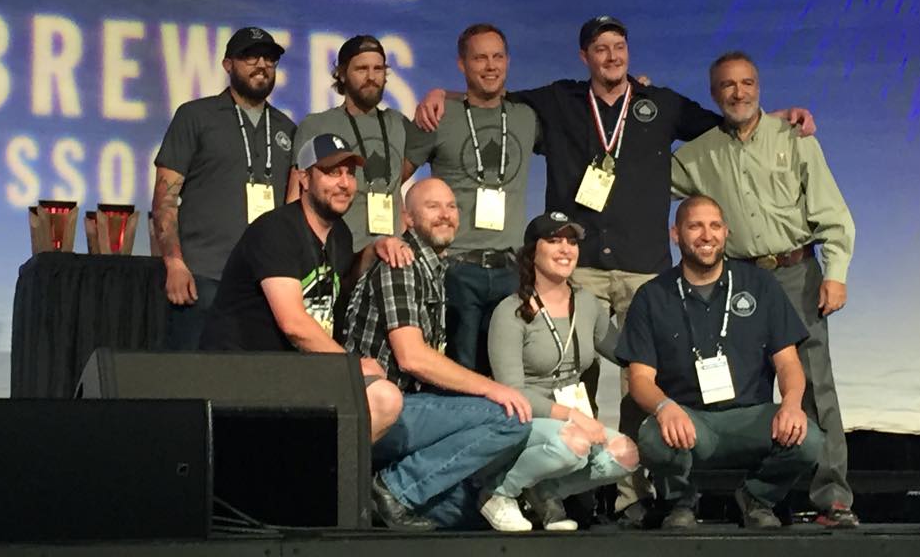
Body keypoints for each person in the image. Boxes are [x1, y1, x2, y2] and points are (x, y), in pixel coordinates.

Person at [416, 17, 814, 517]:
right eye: (600, 48)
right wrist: (444, 94)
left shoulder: (660, 104)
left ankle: (633, 498)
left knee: (639, 382)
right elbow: (491, 95)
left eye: (619, 47)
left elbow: (725, 125)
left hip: (643, 269)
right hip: (577, 267)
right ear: (584, 57)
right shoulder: (558, 100)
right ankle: (569, 494)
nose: (612, 56)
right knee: (570, 376)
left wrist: (777, 116)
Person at [671, 51, 857, 527]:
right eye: (728, 85)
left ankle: (832, 497)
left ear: (759, 86)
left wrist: (835, 272)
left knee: (814, 385)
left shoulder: (795, 139)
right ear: (714, 94)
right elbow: (643, 178)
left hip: (797, 273)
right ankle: (760, 497)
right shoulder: (696, 155)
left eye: (747, 83)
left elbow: (833, 214)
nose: (739, 92)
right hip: (739, 280)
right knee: (747, 390)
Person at [615, 196, 824, 529]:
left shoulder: (760, 285)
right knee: (653, 437)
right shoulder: (652, 296)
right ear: (676, 234)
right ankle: (680, 502)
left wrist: (791, 404)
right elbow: (639, 378)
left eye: (714, 226)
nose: (706, 235)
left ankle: (756, 497)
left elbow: (787, 362)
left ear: (726, 232)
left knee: (807, 437)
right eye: (695, 226)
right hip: (689, 420)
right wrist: (665, 407)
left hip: (750, 418)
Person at [343, 177, 533, 530]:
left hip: (413, 409)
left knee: (470, 514)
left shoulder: (436, 268)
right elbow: (412, 357)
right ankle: (392, 488)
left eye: (451, 206)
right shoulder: (401, 264)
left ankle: (377, 496)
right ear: (408, 218)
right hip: (383, 411)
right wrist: (492, 388)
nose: (445, 214)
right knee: (510, 418)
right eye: (433, 207)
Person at [199, 133, 403, 443]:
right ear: (304, 178)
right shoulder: (276, 230)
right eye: (332, 172)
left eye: (350, 173)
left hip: (299, 372)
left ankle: (318, 472)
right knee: (382, 397)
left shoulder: (340, 235)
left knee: (386, 400)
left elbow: (337, 282)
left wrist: (375, 249)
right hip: (247, 374)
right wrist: (352, 366)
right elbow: (293, 323)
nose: (345, 183)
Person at [484, 211, 639, 532]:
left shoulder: (587, 303)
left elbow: (624, 353)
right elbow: (511, 393)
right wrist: (573, 417)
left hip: (571, 420)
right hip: (525, 417)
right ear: (532, 252)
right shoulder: (510, 311)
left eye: (572, 242)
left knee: (625, 455)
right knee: (574, 445)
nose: (566, 249)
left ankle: (543, 492)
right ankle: (498, 492)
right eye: (554, 241)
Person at [406, 24, 539, 374]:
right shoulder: (437, 117)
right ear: (462, 64)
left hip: (511, 270)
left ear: (508, 61)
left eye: (498, 57)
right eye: (480, 58)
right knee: (457, 374)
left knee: (507, 376)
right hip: (455, 268)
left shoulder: (526, 117)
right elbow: (393, 180)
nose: (490, 66)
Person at [153, 27, 296, 349]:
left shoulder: (287, 128)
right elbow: (165, 198)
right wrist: (174, 263)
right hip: (203, 276)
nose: (262, 64)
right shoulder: (195, 116)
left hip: (265, 283)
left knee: (256, 377)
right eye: (250, 56)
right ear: (227, 64)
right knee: (192, 373)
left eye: (269, 58)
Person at [287, 35, 423, 252]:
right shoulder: (317, 125)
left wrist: (439, 94)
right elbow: (296, 196)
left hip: (391, 256)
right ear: (342, 74)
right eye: (362, 69)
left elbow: (395, 181)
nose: (371, 77)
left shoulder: (398, 123)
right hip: (339, 254)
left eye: (378, 69)